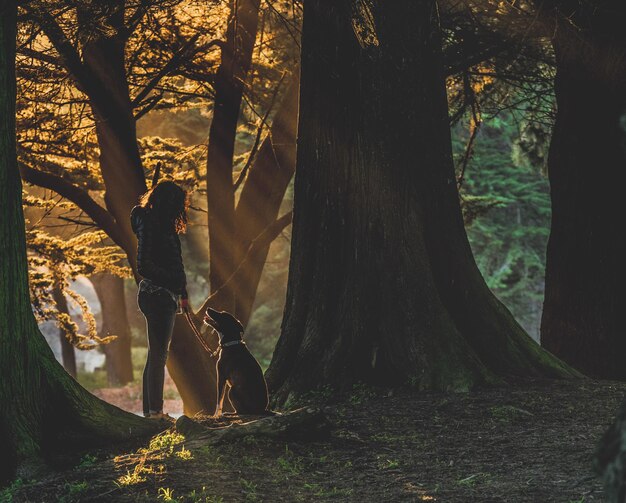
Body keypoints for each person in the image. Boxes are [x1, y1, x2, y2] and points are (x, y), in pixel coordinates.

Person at [130, 180, 189, 419]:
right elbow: (144, 265)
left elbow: (177, 264)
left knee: (157, 354)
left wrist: (182, 295)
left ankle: (151, 411)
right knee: (158, 355)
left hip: (166, 296)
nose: (181, 208)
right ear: (168, 202)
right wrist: (171, 283)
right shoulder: (150, 225)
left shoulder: (164, 226)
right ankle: (154, 413)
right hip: (157, 295)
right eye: (178, 203)